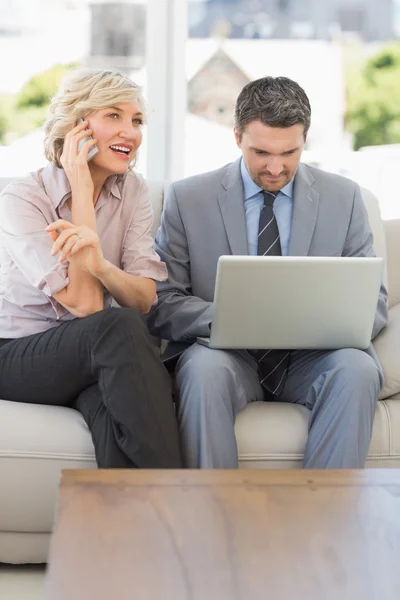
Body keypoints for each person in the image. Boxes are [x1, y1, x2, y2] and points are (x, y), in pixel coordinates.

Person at [147, 76, 388, 469]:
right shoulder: (188, 199)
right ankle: (213, 519)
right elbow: (162, 301)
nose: (275, 168)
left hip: (314, 358)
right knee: (203, 370)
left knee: (357, 368)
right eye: (260, 152)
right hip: (226, 356)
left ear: (304, 140)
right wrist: (236, 319)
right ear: (237, 136)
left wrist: (308, 322)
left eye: (289, 153)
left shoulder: (345, 199)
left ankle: (325, 520)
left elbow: (374, 303)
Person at [0, 67, 182, 469]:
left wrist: (101, 265)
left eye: (136, 121)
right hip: (16, 355)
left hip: (94, 353)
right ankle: (180, 499)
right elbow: (85, 307)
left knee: (113, 415)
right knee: (118, 327)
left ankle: (118, 528)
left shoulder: (132, 192)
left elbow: (145, 298)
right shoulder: (22, 199)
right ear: (75, 128)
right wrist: (82, 187)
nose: (131, 132)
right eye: (113, 116)